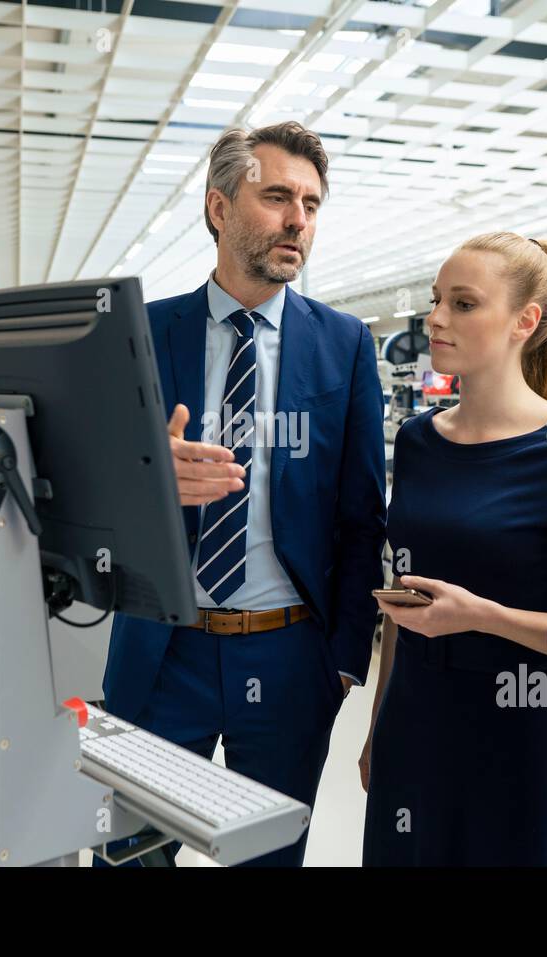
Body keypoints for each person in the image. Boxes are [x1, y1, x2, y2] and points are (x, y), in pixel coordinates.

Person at [100, 121, 387, 866]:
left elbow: (361, 515)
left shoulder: (344, 343)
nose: (299, 219)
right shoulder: (141, 333)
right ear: (219, 209)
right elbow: (84, 492)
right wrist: (143, 476)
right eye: (278, 197)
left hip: (291, 658)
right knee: (131, 854)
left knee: (269, 860)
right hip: (166, 652)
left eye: (313, 204)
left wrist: (346, 659)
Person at [362, 232, 547, 865]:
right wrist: (379, 725)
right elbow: (406, 599)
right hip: (415, 718)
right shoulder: (420, 441)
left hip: (519, 729)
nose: (436, 318)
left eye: (464, 303)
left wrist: (481, 615)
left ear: (524, 322)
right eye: (436, 300)